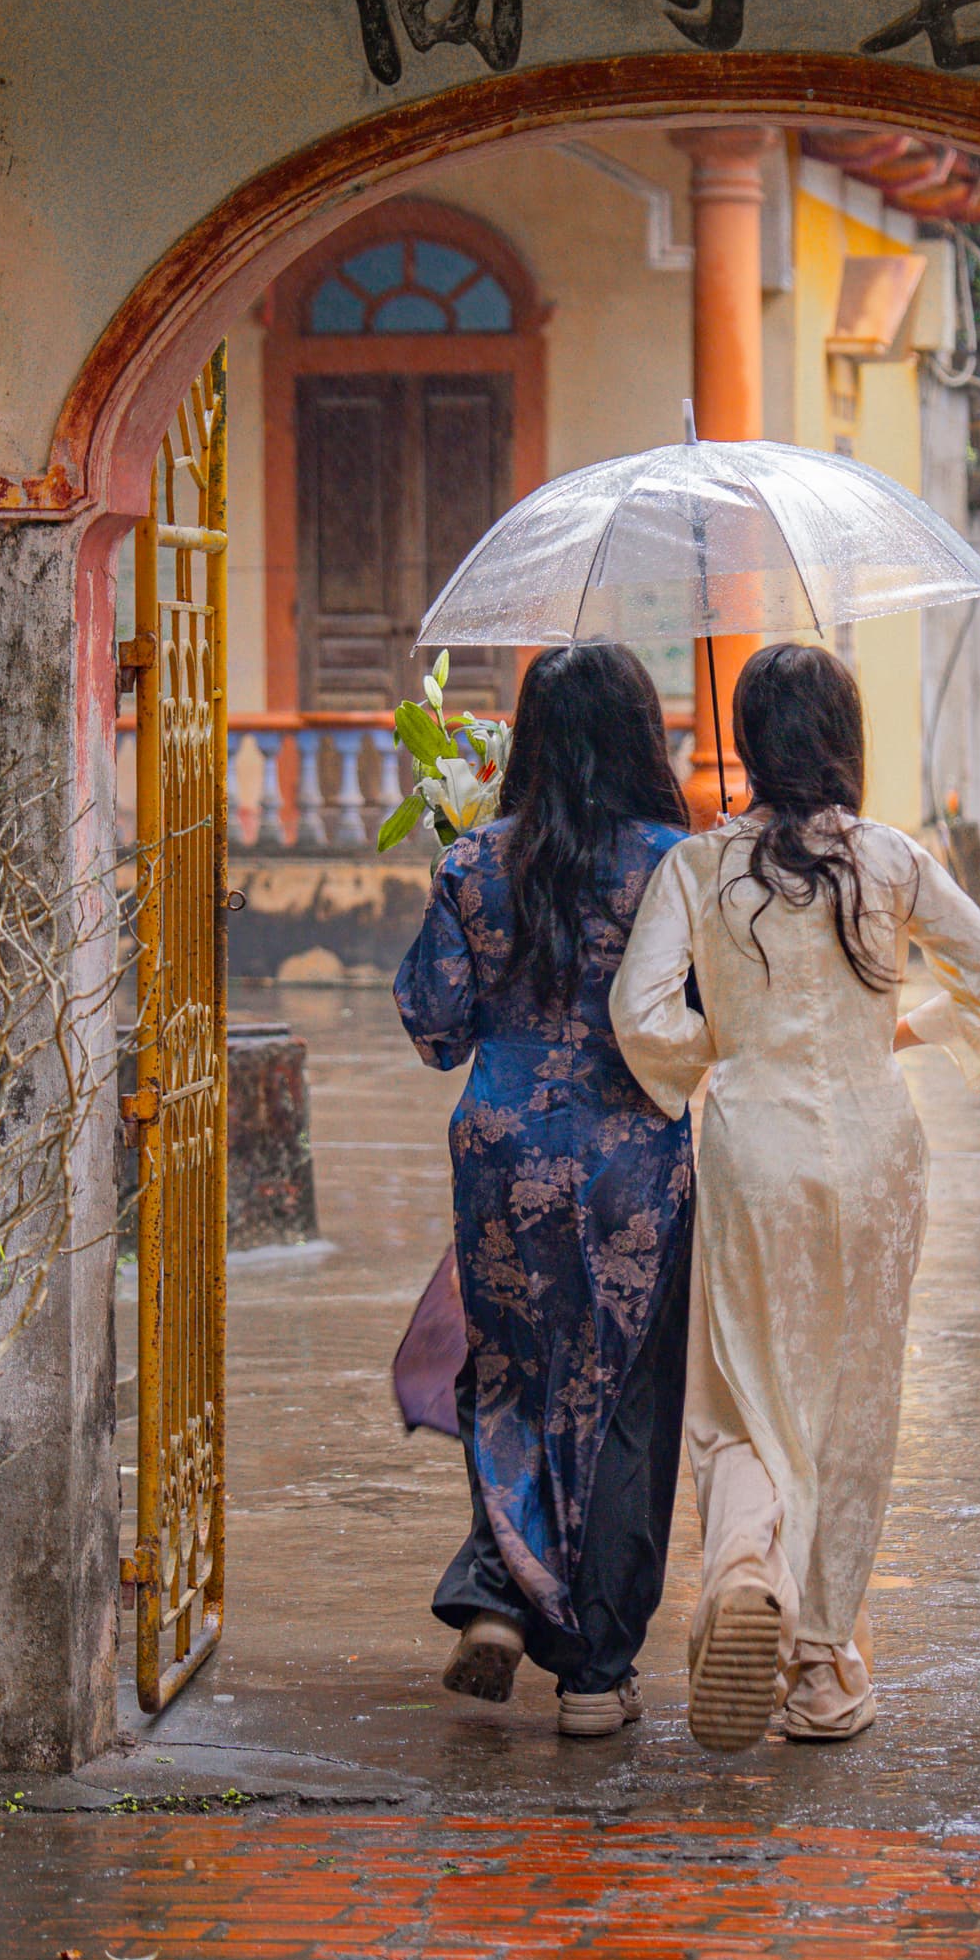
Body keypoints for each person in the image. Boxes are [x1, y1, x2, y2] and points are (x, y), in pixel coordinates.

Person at [611, 642, 980, 1749]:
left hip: (756, 1143)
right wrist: (901, 1024)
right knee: (854, 1392)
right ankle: (825, 1665)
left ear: (748, 743)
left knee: (746, 1384)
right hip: (880, 1147)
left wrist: (731, 1039)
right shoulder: (891, 860)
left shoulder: (699, 869)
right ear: (846, 739)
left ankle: (749, 1566)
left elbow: (639, 1014)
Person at [393, 641, 699, 1737]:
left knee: (514, 1378)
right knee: (619, 1401)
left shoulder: (476, 861)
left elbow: (434, 1028)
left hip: (501, 1151)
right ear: (637, 735)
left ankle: (498, 1593)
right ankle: (595, 1672)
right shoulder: (678, 864)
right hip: (635, 1166)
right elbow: (705, 1021)